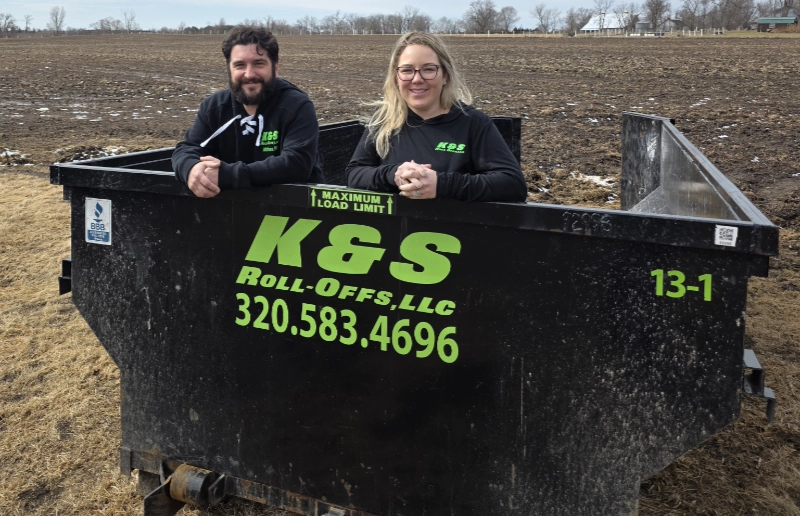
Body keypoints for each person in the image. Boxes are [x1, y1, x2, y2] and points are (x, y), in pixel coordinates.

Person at [346, 32, 527, 202]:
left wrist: (442, 185)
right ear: (396, 77)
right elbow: (355, 174)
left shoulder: (473, 123)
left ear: (445, 75)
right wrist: (393, 174)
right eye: (407, 70)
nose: (417, 79)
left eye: (428, 69)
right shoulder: (384, 120)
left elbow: (513, 184)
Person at [172, 25, 324, 198]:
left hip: (293, 207)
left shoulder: (296, 105)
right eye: (239, 65)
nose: (249, 74)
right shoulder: (214, 107)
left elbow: (297, 164)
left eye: (258, 64)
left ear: (275, 68)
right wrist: (191, 169)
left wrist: (227, 175)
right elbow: (187, 148)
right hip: (231, 208)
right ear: (229, 69)